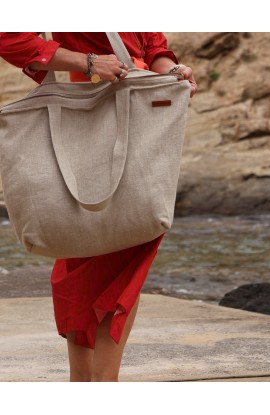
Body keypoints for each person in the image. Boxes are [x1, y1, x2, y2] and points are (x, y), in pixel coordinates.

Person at [0, 32, 197, 382]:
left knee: (116, 255)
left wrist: (172, 69)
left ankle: (93, 384)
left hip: (139, 113)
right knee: (88, 256)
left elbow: (151, 43)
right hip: (89, 109)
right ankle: (98, 384)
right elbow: (9, 37)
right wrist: (88, 62)